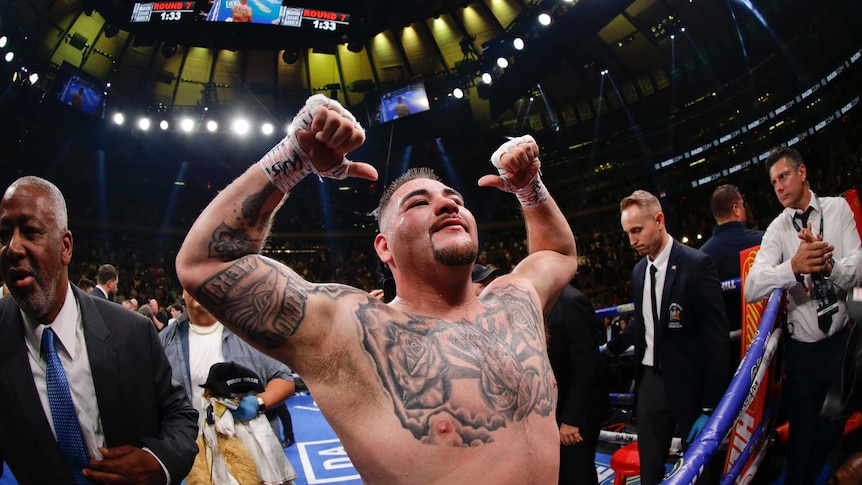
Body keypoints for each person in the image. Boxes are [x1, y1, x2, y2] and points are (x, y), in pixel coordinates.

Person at [175, 94, 579, 484]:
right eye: (418, 203)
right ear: (384, 247)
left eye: (454, 199)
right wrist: (291, 160)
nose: (448, 205)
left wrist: (530, 188)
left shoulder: (515, 299)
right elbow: (208, 264)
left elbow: (558, 253)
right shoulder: (350, 329)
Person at [0, 176, 198, 484]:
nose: (12, 248)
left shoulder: (132, 331)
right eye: (3, 235)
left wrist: (159, 462)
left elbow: (180, 415)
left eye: (30, 232)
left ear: (65, 247)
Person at [744, 146, 862, 485]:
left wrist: (831, 266)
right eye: (773, 182)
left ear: (802, 173)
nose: (779, 186)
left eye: (783, 176)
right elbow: (752, 287)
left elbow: (858, 267)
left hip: (841, 344)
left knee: (835, 431)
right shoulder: (777, 230)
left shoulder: (838, 210)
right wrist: (791, 268)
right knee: (802, 438)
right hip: (803, 353)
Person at [607, 189, 729, 485]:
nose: (632, 240)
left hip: (690, 385)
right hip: (650, 383)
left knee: (699, 471)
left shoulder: (696, 265)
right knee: (649, 471)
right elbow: (646, 322)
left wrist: (710, 406)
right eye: (627, 233)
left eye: (637, 230)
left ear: (659, 220)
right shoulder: (639, 271)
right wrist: (610, 348)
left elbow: (716, 339)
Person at [159, 289, 297, 483]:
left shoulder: (249, 332)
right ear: (182, 291)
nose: (199, 289)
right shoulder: (165, 340)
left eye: (205, 283)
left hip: (253, 452)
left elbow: (284, 378)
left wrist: (257, 403)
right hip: (194, 457)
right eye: (191, 284)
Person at [546, 284, 612, 485]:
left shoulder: (572, 302)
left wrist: (571, 419)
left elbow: (586, 365)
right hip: (556, 408)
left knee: (577, 473)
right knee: (561, 473)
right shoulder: (542, 301)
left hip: (575, 413)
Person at [699, 184, 763, 365]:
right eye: (742, 205)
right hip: (764, 337)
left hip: (726, 349)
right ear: (736, 209)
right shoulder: (762, 241)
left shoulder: (702, 256)